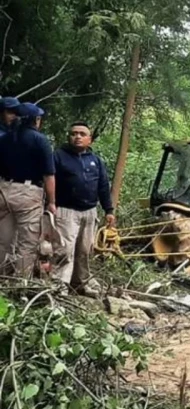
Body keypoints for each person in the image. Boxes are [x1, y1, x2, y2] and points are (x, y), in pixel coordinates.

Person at [52, 122, 114, 295]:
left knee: (85, 250)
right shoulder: (58, 156)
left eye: (82, 134)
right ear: (69, 137)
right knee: (65, 249)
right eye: (73, 133)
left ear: (90, 139)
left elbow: (103, 185)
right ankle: (59, 286)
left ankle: (80, 283)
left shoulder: (96, 160)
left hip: (89, 211)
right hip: (65, 210)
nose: (77, 137)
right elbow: (49, 181)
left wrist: (109, 210)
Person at [0, 103, 56, 277]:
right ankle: (20, 283)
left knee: (3, 240)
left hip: (4, 190)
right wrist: (52, 202)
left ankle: (1, 278)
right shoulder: (40, 140)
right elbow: (49, 175)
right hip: (28, 193)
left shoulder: (5, 139)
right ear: (36, 120)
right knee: (27, 243)